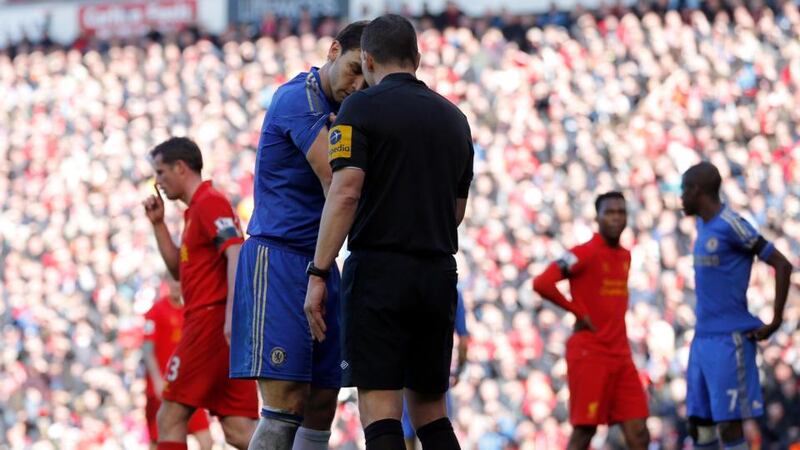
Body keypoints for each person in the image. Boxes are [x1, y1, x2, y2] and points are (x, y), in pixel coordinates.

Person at [303, 14, 474, 450]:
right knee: (431, 413)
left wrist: (319, 273)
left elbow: (345, 193)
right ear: (416, 59)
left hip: (380, 273)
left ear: (369, 59)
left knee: (381, 409)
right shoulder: (455, 119)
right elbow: (456, 211)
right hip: (436, 274)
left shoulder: (360, 108)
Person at [228, 21, 367, 450]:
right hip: (282, 260)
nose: (358, 84)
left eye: (368, 76)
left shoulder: (349, 110)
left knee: (324, 398)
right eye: (353, 70)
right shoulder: (296, 98)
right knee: (284, 404)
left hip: (321, 260)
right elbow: (337, 181)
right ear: (332, 50)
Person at [142, 137, 258, 450]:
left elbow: (235, 253)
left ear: (181, 168)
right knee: (239, 431)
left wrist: (233, 315)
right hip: (217, 323)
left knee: (170, 417)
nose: (158, 182)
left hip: (210, 322)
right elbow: (181, 272)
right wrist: (158, 225)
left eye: (161, 172)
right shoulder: (195, 210)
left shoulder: (209, 203)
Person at [680, 162, 793, 450]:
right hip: (702, 338)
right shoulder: (702, 224)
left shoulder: (731, 225)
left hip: (729, 340)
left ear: (696, 191)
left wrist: (776, 319)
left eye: (683, 191)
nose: (680, 198)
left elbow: (781, 264)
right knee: (700, 424)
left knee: (729, 425)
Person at [532, 191, 650, 450]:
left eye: (621, 212)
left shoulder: (625, 256)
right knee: (585, 432)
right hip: (590, 351)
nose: (616, 218)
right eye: (609, 212)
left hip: (620, 353)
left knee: (639, 431)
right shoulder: (583, 253)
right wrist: (576, 311)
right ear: (597, 218)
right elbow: (542, 282)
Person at [143, 279, 213, 450]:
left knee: (206, 440)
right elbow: (147, 351)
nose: (176, 286)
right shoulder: (155, 311)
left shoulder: (191, 311)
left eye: (180, 282)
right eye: (174, 281)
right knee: (158, 441)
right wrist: (158, 380)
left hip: (186, 386)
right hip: (161, 389)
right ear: (167, 283)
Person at [402, 290, 469, 450]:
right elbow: (464, 341)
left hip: (405, 371)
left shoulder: (400, 282)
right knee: (439, 429)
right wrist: (459, 370)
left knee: (406, 433)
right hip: (437, 370)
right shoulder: (452, 289)